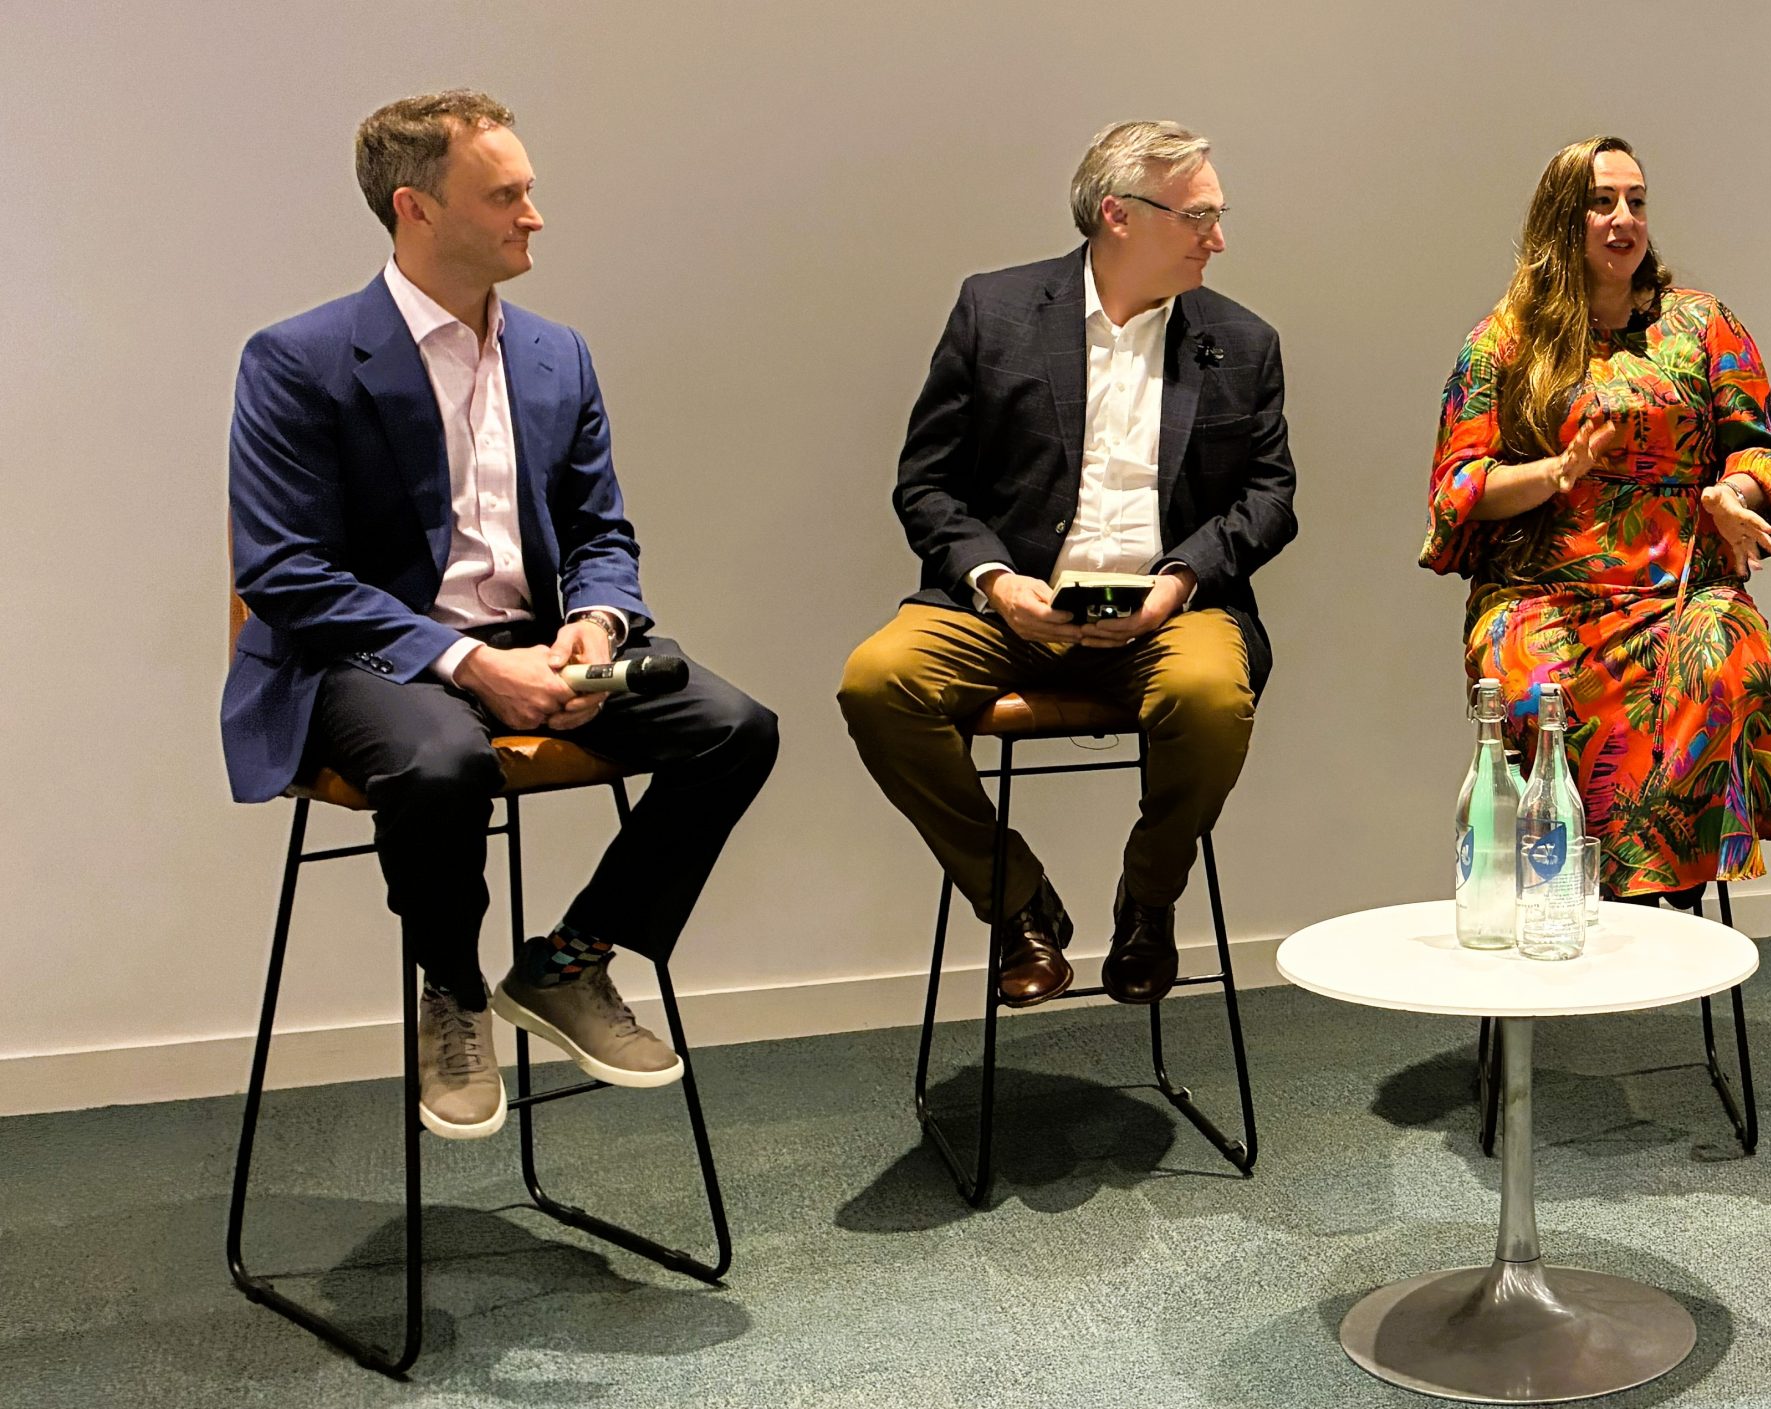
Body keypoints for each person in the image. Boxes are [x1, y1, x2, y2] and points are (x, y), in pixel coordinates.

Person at [224, 91, 779, 1139]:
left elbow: (602, 532)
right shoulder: (297, 360)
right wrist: (473, 667)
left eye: (529, 190)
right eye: (508, 193)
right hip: (368, 655)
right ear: (415, 209)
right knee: (442, 764)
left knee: (735, 728)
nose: (535, 215)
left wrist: (600, 626)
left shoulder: (555, 354)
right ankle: (454, 992)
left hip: (536, 642)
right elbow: (286, 571)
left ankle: (571, 962)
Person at [838, 121, 1296, 1008]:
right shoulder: (995, 311)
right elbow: (925, 484)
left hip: (1173, 611)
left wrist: (1179, 580)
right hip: (1010, 606)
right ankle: (1017, 904)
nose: (1220, 237)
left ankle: (1149, 901)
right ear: (1119, 214)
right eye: (1200, 215)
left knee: (1208, 696)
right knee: (877, 681)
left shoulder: (1243, 341)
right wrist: (1000, 584)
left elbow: (1270, 497)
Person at [1421, 136, 1771, 904]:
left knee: (1724, 657)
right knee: (1533, 685)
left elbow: (1766, 454)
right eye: (1602, 202)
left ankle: (1671, 883)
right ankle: (1580, 887)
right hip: (1541, 595)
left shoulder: (1702, 326)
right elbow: (1459, 489)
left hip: (1680, 591)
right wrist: (1559, 472)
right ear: (1564, 218)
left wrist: (1735, 495)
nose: (1623, 218)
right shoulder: (1506, 343)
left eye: (1636, 201)